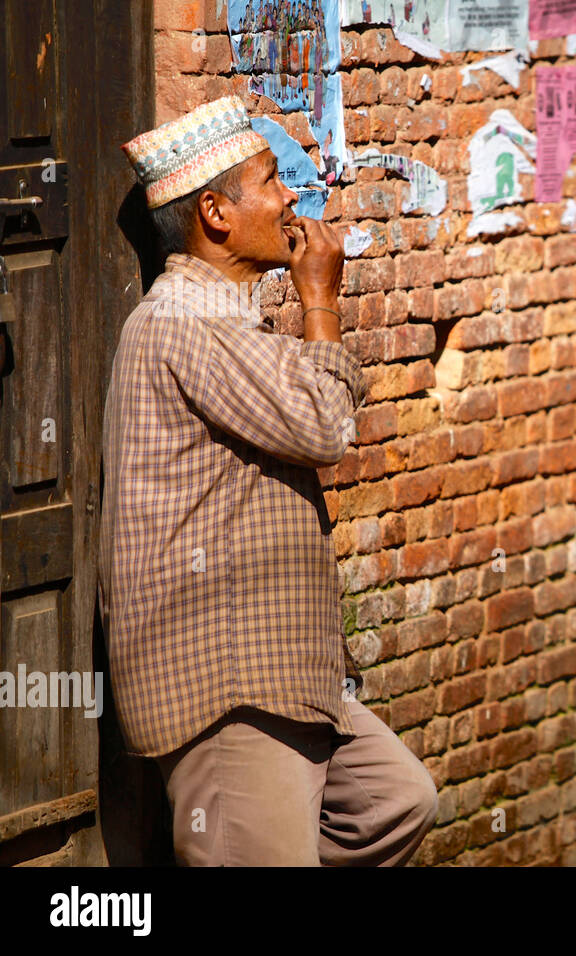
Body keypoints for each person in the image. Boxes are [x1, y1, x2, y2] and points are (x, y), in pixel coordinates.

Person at [105, 95, 437, 866]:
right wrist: (320, 297)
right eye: (270, 179)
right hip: (227, 690)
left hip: (284, 674)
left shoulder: (228, 321)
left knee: (396, 802)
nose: (292, 194)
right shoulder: (185, 324)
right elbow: (326, 429)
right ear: (216, 214)